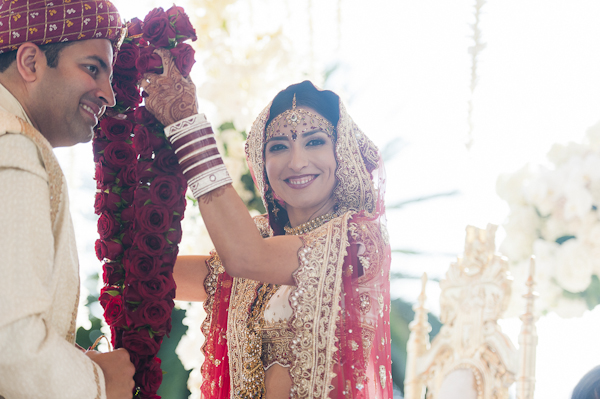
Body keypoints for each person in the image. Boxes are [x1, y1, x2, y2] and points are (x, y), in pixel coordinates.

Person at [143, 50, 393, 398]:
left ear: (343, 154)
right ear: (263, 163)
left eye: (315, 142)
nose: (297, 161)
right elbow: (156, 277)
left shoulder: (358, 240)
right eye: (278, 147)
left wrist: (186, 126)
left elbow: (247, 257)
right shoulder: (260, 237)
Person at [0, 1, 135, 398]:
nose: (108, 95)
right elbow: (10, 340)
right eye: (92, 68)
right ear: (30, 62)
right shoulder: (13, 148)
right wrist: (99, 385)